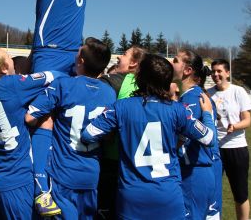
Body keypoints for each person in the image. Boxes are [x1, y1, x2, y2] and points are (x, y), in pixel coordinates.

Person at [29, 0, 102, 213]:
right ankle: (40, 189)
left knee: (68, 120)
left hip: (74, 60)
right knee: (42, 120)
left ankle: (63, 183)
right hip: (48, 55)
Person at [81, 54, 217, 220]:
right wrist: (208, 114)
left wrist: (114, 132)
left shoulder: (121, 107)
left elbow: (88, 135)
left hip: (132, 197)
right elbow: (209, 139)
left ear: (139, 78)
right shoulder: (178, 110)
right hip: (168, 196)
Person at [0, 48, 62, 219]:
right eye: (9, 57)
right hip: (15, 177)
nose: (12, 59)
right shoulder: (12, 84)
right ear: (4, 67)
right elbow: (54, 75)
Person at [26, 37, 115, 219]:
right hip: (91, 174)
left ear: (81, 60)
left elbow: (29, 117)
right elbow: (108, 135)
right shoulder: (109, 93)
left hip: (64, 174)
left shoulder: (63, 84)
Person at [96, 46, 146, 219]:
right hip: (138, 162)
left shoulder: (115, 81)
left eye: (124, 55)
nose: (119, 56)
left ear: (133, 63)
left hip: (112, 158)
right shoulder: (148, 85)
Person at [172, 50, 220, 220]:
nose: (171, 63)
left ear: (188, 70)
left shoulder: (192, 99)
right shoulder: (193, 96)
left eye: (176, 60)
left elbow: (183, 139)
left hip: (193, 172)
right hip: (199, 171)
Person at [208, 59, 251, 220]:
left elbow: (247, 120)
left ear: (227, 73)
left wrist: (235, 126)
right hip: (214, 150)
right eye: (213, 71)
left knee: (240, 194)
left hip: (237, 148)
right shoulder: (208, 93)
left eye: (219, 71)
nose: (216, 74)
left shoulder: (238, 91)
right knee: (211, 193)